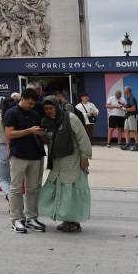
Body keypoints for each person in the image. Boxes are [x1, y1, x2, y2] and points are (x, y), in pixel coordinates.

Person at [38, 95, 92, 232]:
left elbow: (82, 137)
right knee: (61, 192)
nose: (49, 111)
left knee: (72, 192)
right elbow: (52, 140)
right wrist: (43, 136)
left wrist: (85, 157)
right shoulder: (48, 122)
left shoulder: (70, 118)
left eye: (51, 108)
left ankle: (73, 221)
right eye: (46, 109)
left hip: (73, 160)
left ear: (56, 107)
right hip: (58, 162)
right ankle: (66, 220)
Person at [5, 88, 48, 234]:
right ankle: (16, 219)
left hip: (35, 154)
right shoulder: (11, 113)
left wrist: (41, 133)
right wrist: (29, 131)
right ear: (22, 98)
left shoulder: (35, 113)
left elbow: (36, 132)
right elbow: (9, 133)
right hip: (18, 155)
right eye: (29, 103)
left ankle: (31, 217)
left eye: (33, 104)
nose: (31, 106)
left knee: (33, 188)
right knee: (16, 188)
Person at [121, 86, 138, 151]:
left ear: (127, 91)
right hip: (128, 116)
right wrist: (123, 106)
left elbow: (133, 108)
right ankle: (127, 145)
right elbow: (129, 107)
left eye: (124, 90)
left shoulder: (132, 98)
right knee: (126, 130)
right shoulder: (129, 98)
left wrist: (125, 109)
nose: (123, 91)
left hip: (132, 116)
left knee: (134, 131)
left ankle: (137, 146)